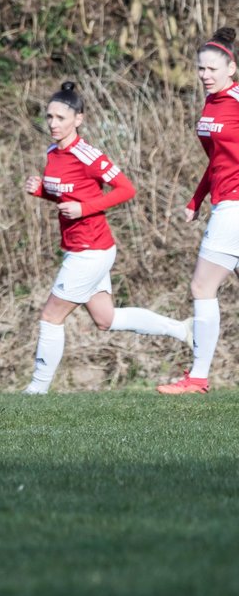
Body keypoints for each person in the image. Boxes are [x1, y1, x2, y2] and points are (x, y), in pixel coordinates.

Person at [23, 81, 191, 394]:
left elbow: (126, 189)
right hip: (80, 248)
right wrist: (42, 191)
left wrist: (85, 208)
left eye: (60, 118)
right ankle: (182, 329)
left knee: (51, 315)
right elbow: (65, 198)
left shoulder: (89, 156)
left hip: (91, 249)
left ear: (79, 119)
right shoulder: (52, 153)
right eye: (49, 117)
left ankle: (37, 389)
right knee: (105, 318)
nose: (53, 124)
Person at [159, 28, 239, 394]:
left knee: (201, 285)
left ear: (231, 68)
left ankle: (198, 377)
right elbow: (218, 163)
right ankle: (199, 377)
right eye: (200, 68)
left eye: (212, 69)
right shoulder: (210, 103)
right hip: (224, 201)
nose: (205, 75)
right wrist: (196, 200)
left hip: (235, 207)